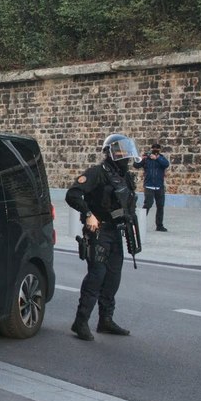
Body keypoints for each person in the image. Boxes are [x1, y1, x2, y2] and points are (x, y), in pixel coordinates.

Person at [66, 134, 141, 341]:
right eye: (119, 151)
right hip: (99, 232)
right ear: (109, 153)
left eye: (125, 152)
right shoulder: (97, 173)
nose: (124, 156)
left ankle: (105, 320)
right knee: (96, 276)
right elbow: (72, 194)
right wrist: (89, 215)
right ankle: (80, 321)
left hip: (117, 232)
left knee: (113, 277)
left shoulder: (125, 177)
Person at [135, 142, 170, 231]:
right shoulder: (146, 159)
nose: (155, 150)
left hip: (159, 186)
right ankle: (139, 223)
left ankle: (159, 225)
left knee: (160, 206)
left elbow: (166, 164)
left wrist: (157, 158)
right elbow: (136, 165)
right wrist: (140, 159)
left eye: (157, 149)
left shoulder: (161, 158)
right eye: (154, 148)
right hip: (149, 185)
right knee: (148, 204)